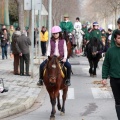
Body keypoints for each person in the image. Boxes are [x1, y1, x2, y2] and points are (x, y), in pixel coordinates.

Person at [102, 30, 120, 120]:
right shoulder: (110, 51)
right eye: (119, 38)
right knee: (118, 101)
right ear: (115, 39)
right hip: (114, 79)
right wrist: (104, 77)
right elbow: (106, 64)